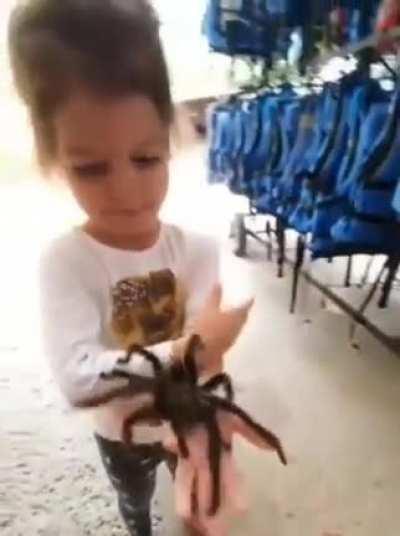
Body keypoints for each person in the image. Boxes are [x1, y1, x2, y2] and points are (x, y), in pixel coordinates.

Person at [8, 1, 252, 534]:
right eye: (91, 169)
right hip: (120, 431)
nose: (126, 191)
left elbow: (209, 367)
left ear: (170, 136)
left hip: (183, 420)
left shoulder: (200, 250)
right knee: (134, 500)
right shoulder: (64, 263)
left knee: (198, 500)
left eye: (146, 159)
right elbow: (78, 379)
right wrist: (188, 349)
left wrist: (214, 425)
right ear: (51, 157)